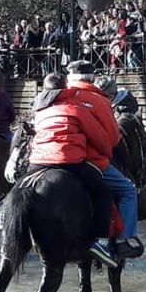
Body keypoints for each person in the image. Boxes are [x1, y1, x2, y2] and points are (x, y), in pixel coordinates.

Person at [26, 69, 119, 267]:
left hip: (37, 162)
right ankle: (99, 242)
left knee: (21, 189)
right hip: (68, 160)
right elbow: (102, 139)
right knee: (102, 193)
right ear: (66, 86)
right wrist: (105, 155)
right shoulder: (75, 107)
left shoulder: (38, 109)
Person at [68, 63, 144, 260]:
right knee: (128, 190)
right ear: (91, 78)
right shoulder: (99, 101)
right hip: (89, 160)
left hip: (48, 157)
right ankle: (122, 241)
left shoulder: (59, 96)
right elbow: (112, 139)